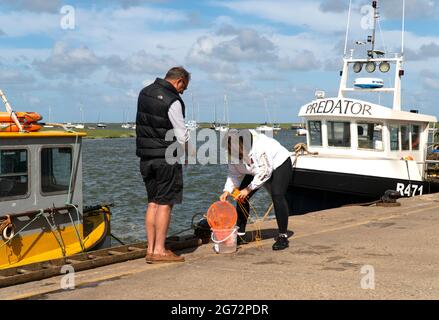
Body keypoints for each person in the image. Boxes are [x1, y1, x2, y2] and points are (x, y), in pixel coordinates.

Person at [136, 66, 190, 263]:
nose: (182, 91)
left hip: (145, 157)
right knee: (165, 204)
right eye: (184, 88)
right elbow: (181, 133)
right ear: (179, 82)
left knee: (152, 203)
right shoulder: (173, 99)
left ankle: (150, 249)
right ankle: (160, 250)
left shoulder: (144, 93)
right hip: (167, 157)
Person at [219, 129, 293, 250]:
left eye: (230, 149)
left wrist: (248, 189)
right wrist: (227, 191)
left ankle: (282, 236)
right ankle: (241, 235)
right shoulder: (233, 155)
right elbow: (233, 174)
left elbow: (265, 172)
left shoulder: (260, 147)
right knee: (240, 197)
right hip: (255, 169)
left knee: (277, 194)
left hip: (278, 163)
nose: (229, 152)